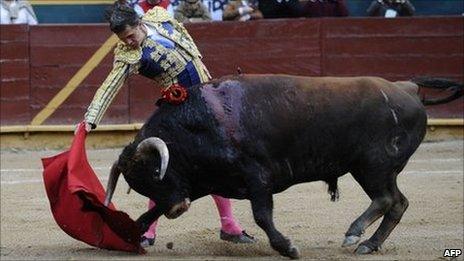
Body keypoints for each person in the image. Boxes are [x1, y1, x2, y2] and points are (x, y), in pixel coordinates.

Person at [80, 1, 255, 247]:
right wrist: (90, 119)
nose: (128, 42)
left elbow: (190, 51)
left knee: (214, 162)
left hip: (208, 100)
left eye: (130, 36)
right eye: (123, 39)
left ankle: (229, 226)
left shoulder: (160, 17)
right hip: (179, 115)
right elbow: (109, 87)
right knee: (164, 169)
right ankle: (149, 232)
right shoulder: (128, 55)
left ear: (139, 23)